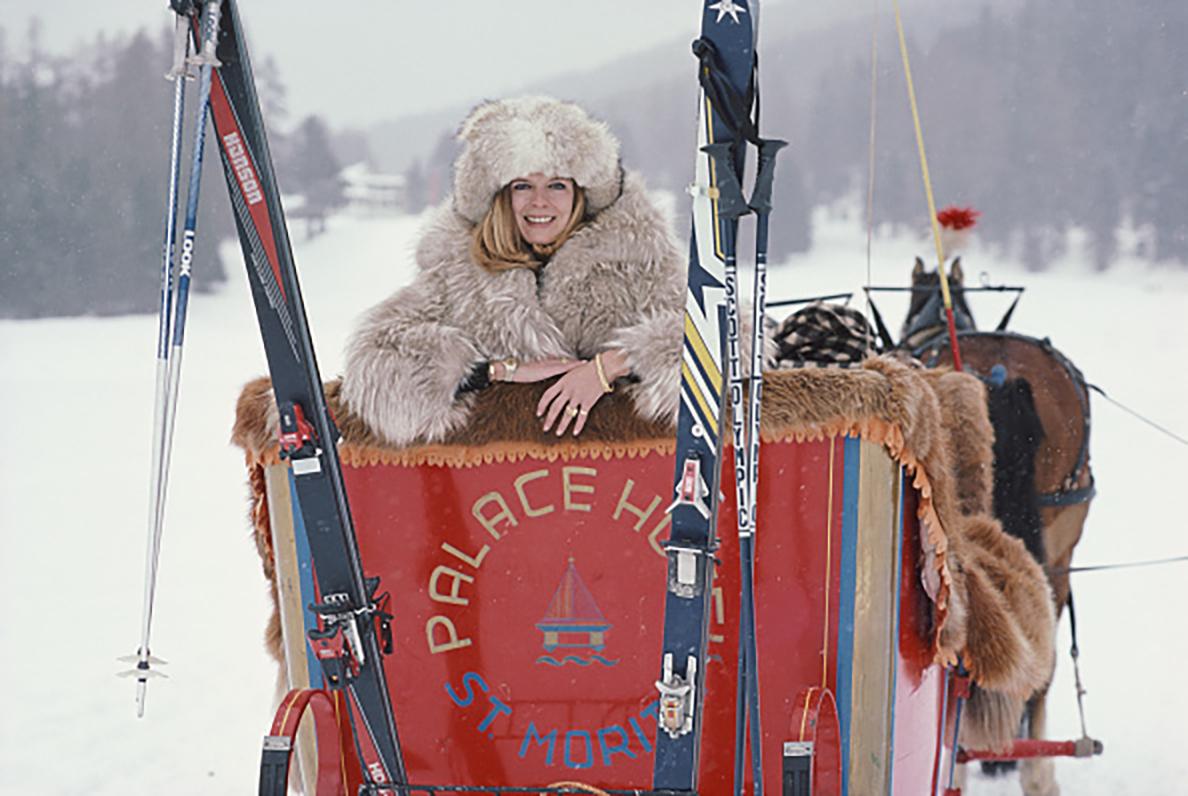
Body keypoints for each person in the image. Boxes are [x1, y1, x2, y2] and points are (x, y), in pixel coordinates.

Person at [341, 97, 686, 446]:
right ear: (500, 197)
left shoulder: (639, 261)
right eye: (522, 185)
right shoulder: (458, 274)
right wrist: (496, 371)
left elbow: (724, 339)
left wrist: (609, 366)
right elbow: (377, 366)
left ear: (580, 194)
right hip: (499, 492)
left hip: (623, 488)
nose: (540, 201)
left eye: (556, 185)